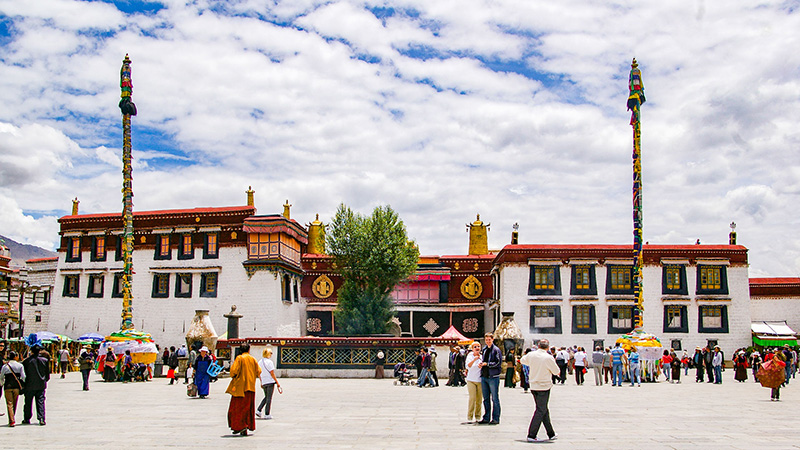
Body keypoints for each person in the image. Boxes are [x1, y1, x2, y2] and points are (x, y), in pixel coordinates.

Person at [520, 339, 560, 443]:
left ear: (538, 346)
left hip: (533, 386)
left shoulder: (531, 355)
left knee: (543, 409)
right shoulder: (548, 357)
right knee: (540, 410)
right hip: (544, 386)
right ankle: (531, 435)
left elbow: (522, 360)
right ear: (547, 347)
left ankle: (551, 433)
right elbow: (556, 371)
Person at [226, 344, 261, 436]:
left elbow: (233, 371)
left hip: (240, 388)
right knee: (247, 408)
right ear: (249, 350)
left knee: (237, 408)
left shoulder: (239, 358)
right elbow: (259, 371)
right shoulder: (252, 359)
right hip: (250, 387)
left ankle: (239, 426)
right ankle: (246, 426)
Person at [478, 333, 502, 425]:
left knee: (495, 398)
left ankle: (496, 418)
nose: (488, 341)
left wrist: (487, 364)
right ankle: (486, 417)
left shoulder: (496, 350)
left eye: (489, 339)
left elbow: (498, 363)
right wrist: (481, 364)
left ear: (492, 339)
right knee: (486, 398)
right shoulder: (484, 349)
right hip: (484, 376)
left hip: (493, 377)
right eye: (486, 339)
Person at [22, 345, 50, 426]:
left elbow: (24, 374)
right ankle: (41, 418)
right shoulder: (44, 360)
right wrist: (45, 380)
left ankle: (27, 418)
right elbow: (47, 373)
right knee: (40, 402)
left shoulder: (26, 361)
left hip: (29, 385)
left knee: (28, 402)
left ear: (32, 351)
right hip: (41, 384)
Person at [1, 351, 25, 427]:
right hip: (16, 387)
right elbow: (23, 376)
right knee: (14, 403)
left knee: (9, 403)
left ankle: (11, 420)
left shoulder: (5, 366)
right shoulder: (19, 365)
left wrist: (1, 384)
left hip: (7, 386)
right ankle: (12, 418)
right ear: (15, 357)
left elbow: (1, 377)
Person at [256, 348, 281, 419]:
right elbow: (272, 373)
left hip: (264, 382)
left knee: (266, 396)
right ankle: (267, 414)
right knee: (269, 398)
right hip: (270, 381)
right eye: (271, 353)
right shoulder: (269, 362)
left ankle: (259, 410)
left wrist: (261, 382)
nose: (271, 354)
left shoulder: (260, 362)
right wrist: (277, 382)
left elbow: (259, 373)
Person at [464, 341, 483, 422]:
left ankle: (478, 416)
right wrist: (475, 359)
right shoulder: (470, 356)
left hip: (480, 380)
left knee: (479, 399)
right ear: (472, 349)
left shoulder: (482, 357)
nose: (477, 348)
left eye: (478, 346)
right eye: (475, 347)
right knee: (472, 398)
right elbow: (468, 366)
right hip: (471, 379)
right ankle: (470, 416)